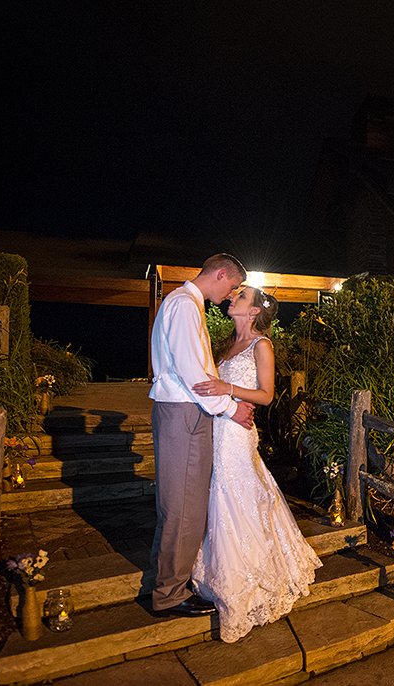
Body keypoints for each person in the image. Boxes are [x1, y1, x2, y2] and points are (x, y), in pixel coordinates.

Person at [189, 284, 323, 643]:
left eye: (241, 296)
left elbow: (265, 395)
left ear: (253, 312)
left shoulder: (261, 345)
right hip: (218, 428)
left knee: (236, 495)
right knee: (218, 495)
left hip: (237, 436)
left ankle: (248, 578)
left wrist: (227, 389)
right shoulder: (228, 344)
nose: (233, 298)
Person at [148, 253, 254, 617]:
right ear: (220, 274)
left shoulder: (184, 303)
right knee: (184, 506)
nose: (230, 295)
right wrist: (230, 408)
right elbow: (194, 373)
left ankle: (163, 580)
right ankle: (170, 594)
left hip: (182, 413)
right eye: (233, 286)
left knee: (180, 503)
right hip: (185, 415)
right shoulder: (184, 306)